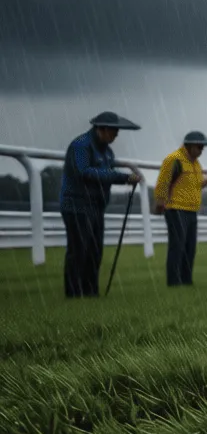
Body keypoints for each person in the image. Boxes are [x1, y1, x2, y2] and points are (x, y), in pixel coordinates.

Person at [58, 112, 143, 298]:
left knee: (94, 251)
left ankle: (91, 292)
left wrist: (123, 179)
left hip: (96, 207)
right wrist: (123, 178)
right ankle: (74, 294)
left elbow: (105, 175)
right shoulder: (80, 146)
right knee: (78, 251)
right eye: (114, 131)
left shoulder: (108, 152)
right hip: (77, 206)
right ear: (101, 129)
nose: (116, 135)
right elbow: (85, 172)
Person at [153, 131, 207, 287]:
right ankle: (174, 281)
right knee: (178, 246)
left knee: (190, 247)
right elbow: (163, 182)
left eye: (203, 148)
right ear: (189, 145)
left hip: (191, 210)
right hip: (176, 209)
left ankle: (186, 280)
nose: (201, 151)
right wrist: (160, 202)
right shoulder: (174, 159)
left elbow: (194, 185)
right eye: (199, 147)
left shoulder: (196, 164)